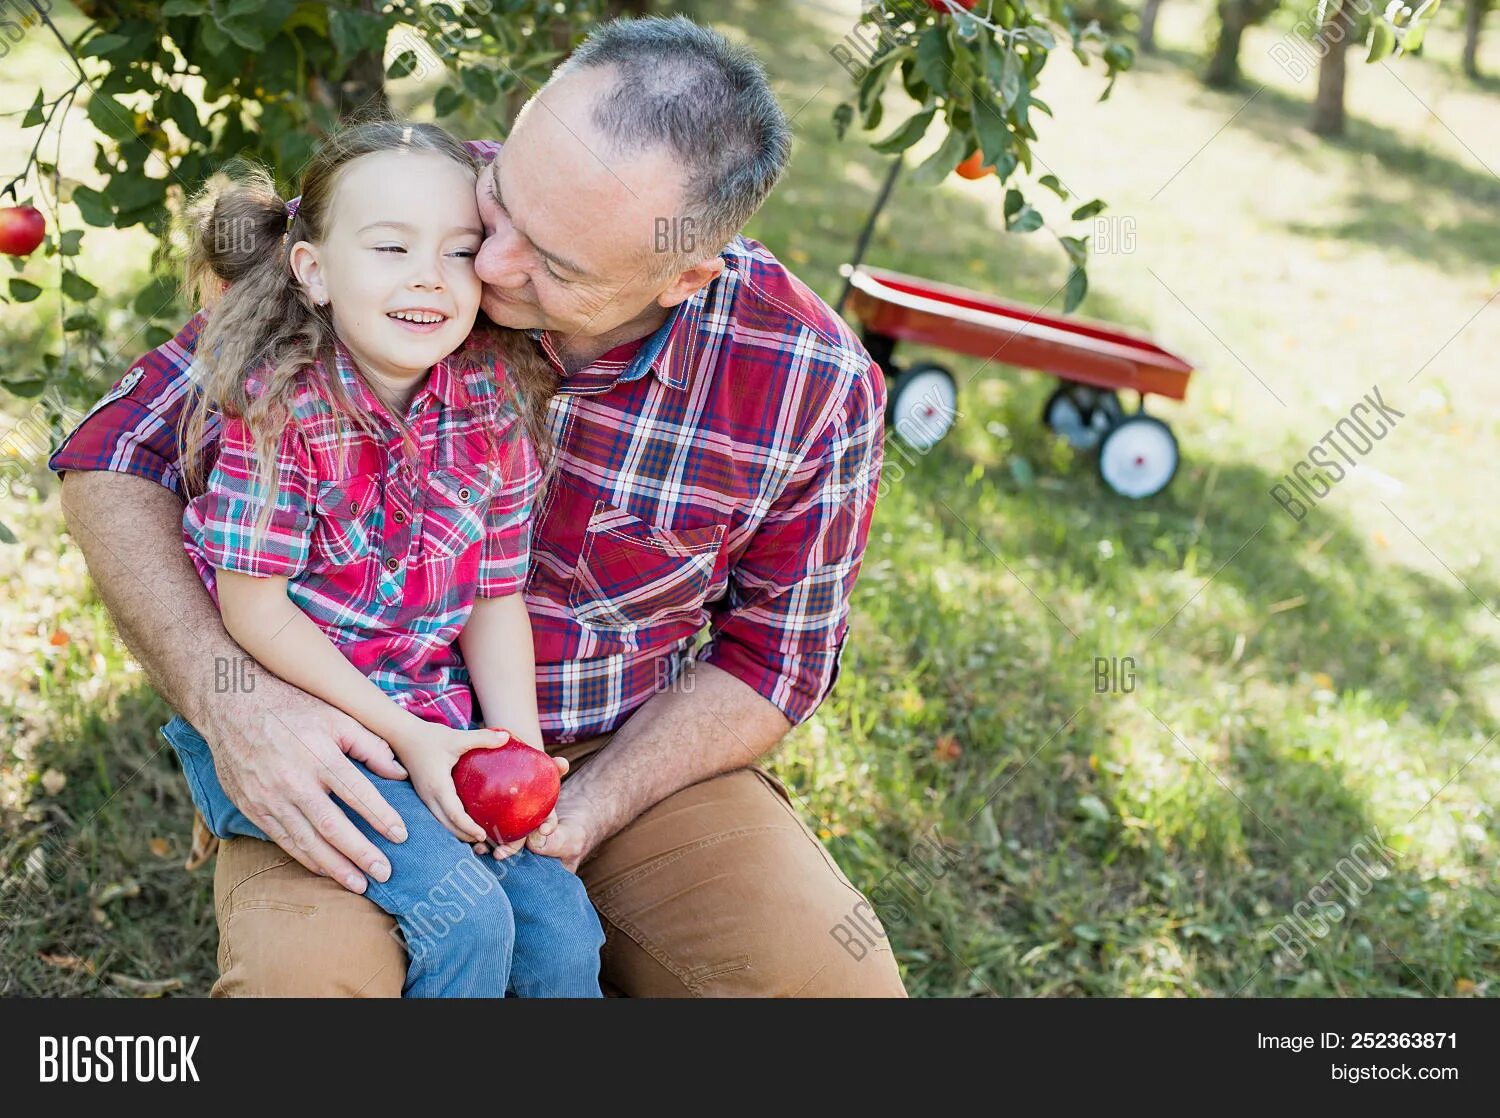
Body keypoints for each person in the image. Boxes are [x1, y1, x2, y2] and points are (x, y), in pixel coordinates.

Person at [52, 15, 907, 996]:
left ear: (684, 274)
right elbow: (114, 452)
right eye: (501, 205)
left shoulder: (811, 381)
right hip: (347, 721)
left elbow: (776, 658)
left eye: (557, 265)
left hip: (613, 746)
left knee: (835, 991)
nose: (486, 270)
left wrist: (578, 804)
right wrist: (230, 700)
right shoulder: (408, 216)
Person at [160, 118, 603, 997]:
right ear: (314, 271)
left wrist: (517, 749)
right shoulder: (281, 410)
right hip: (303, 714)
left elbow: (493, 593)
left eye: (458, 250)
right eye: (391, 247)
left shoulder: (491, 400)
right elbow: (257, 611)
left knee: (560, 931)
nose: (428, 277)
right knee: (467, 920)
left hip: (429, 713)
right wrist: (410, 740)